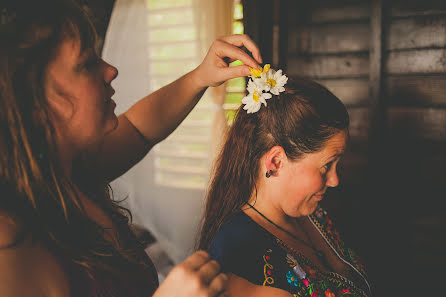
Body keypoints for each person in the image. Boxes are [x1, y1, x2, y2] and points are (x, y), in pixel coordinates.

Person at [0, 0, 263, 296]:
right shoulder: (10, 242)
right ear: (32, 102)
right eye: (87, 63)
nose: (111, 70)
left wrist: (200, 76)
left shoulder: (71, 168)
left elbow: (140, 127)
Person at [198, 65, 372, 297]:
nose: (334, 181)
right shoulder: (241, 255)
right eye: (326, 166)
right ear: (276, 162)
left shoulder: (314, 213)